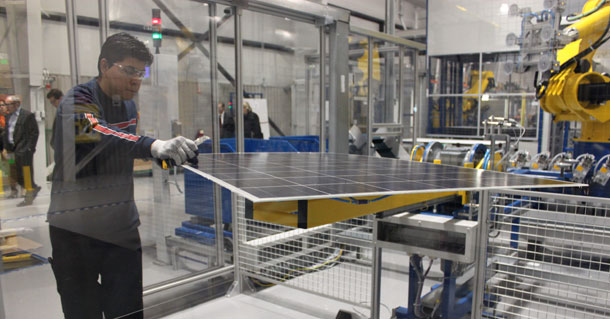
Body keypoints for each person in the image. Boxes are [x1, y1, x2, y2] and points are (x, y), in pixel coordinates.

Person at [47, 32, 198, 319]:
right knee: (82, 309)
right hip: (76, 228)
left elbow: (122, 149)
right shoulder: (77, 100)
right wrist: (153, 145)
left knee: (128, 309)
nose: (136, 80)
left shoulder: (128, 105)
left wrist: (170, 158)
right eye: (129, 71)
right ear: (104, 66)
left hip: (119, 225)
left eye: (141, 73)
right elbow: (99, 134)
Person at [2, 95, 41, 206]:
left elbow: (34, 133)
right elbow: (7, 132)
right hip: (11, 151)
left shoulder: (27, 115)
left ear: (17, 104)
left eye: (8, 104)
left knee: (26, 173)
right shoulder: (8, 116)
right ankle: (32, 188)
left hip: (23, 150)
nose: (6, 107)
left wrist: (29, 148)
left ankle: (28, 197)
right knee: (15, 173)